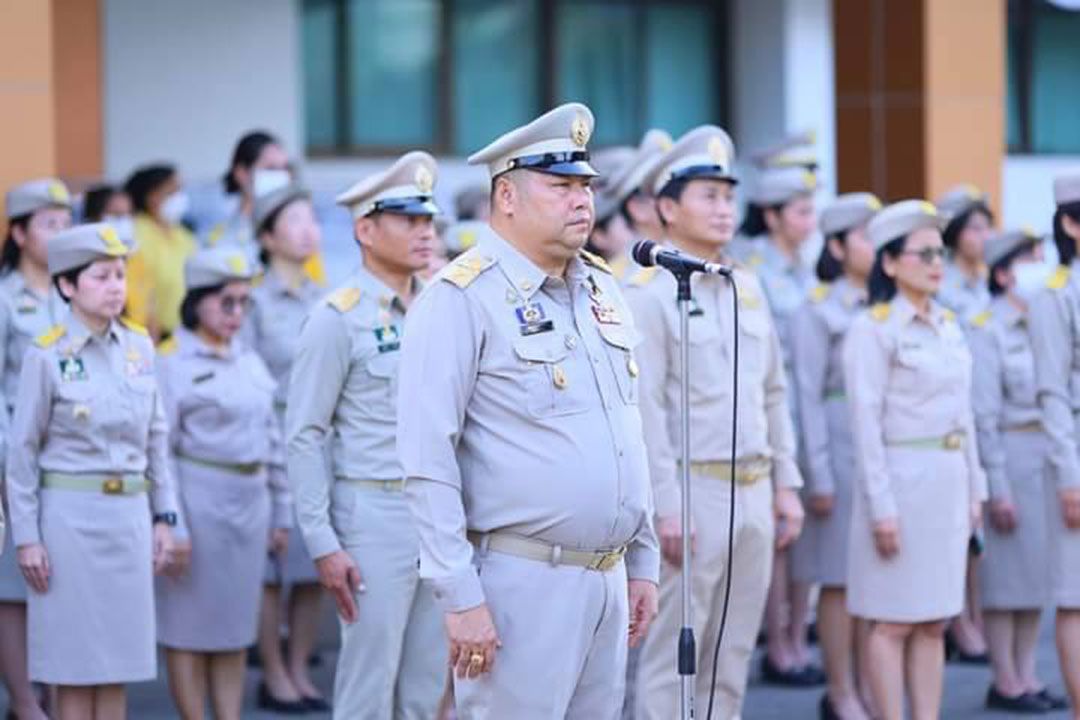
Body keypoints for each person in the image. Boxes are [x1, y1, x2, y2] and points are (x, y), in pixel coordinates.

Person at [396, 103, 659, 718]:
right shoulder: (460, 299)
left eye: (586, 186)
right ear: (507, 196)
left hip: (606, 578)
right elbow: (426, 458)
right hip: (519, 580)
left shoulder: (600, 286)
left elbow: (626, 431)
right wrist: (460, 597)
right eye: (561, 186)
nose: (582, 201)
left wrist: (641, 557)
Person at [626, 125, 804, 719]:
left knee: (732, 654)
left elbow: (773, 392)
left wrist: (788, 485)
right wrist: (665, 505)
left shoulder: (744, 286)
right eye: (709, 196)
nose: (724, 208)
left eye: (729, 197)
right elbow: (645, 408)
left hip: (752, 490)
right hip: (692, 489)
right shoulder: (649, 294)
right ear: (667, 208)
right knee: (673, 657)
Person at [287, 151, 447, 719]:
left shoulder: (440, 306)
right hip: (373, 515)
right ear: (365, 229)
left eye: (429, 220)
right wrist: (323, 541)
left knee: (427, 688)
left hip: (437, 514)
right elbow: (304, 434)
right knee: (368, 687)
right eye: (409, 220)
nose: (425, 232)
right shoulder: (337, 317)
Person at [6, 222, 178, 720]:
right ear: (67, 285)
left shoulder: (139, 348)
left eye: (120, 275)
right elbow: (22, 456)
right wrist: (27, 538)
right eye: (100, 276)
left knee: (117, 664)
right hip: (69, 523)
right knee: (74, 666)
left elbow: (157, 439)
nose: (115, 287)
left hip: (127, 517)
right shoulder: (48, 354)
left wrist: (164, 517)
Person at [843, 200, 987, 720]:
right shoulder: (874, 328)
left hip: (946, 487)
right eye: (922, 253)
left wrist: (977, 490)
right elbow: (865, 425)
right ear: (888, 262)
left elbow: (963, 416)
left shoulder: (948, 324)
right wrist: (881, 506)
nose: (935, 263)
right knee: (893, 621)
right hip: (901, 488)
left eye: (939, 252)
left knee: (934, 621)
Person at [154, 247, 290, 720]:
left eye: (243, 303)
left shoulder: (248, 358)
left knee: (235, 626)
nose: (236, 314)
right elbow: (160, 451)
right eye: (225, 302)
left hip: (249, 507)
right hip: (199, 500)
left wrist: (281, 512)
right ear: (196, 302)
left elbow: (272, 440)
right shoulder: (171, 361)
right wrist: (173, 524)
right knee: (188, 628)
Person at [791, 193, 881, 719]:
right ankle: (841, 690)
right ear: (838, 246)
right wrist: (818, 474)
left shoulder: (882, 303)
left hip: (876, 455)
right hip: (837, 454)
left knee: (874, 580)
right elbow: (806, 395)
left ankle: (871, 685)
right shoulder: (817, 308)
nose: (875, 246)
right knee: (838, 578)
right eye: (866, 236)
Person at [970, 228, 1066, 714]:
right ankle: (1004, 677)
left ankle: (1027, 673)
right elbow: (984, 416)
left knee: (1037, 580)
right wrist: (998, 487)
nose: (1040, 266)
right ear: (1004, 273)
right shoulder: (987, 327)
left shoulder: (1048, 316)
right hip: (1010, 456)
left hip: (1048, 457)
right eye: (1029, 259)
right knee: (1006, 582)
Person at [243, 182, 328, 712]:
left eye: (310, 218)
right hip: (271, 444)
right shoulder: (250, 300)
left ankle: (300, 668)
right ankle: (272, 671)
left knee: (315, 564)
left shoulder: (327, 298)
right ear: (268, 236)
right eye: (293, 220)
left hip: (320, 442)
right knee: (272, 570)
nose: (307, 229)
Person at [738, 166, 823, 686]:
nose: (809, 221)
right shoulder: (755, 270)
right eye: (800, 211)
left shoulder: (805, 268)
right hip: (774, 410)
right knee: (775, 537)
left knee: (801, 532)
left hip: (804, 411)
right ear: (771, 216)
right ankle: (778, 640)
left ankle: (796, 635)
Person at [0, 178, 73, 720]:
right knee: (13, 585)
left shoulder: (75, 294)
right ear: (20, 233)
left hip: (71, 461)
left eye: (66, 221)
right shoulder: (5, 299)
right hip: (14, 458)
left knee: (60, 577)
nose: (61, 232)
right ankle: (24, 701)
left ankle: (52, 688)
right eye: (49, 223)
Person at [1028, 169, 1080, 719]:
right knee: (1075, 595)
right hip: (1076, 451)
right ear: (1071, 224)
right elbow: (1051, 391)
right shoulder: (1055, 296)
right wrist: (1069, 476)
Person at [123, 164, 198, 342]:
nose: (180, 198)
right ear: (152, 196)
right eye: (172, 191)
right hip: (151, 335)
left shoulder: (184, 235)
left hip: (187, 334)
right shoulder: (135, 233)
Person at [935, 184, 994, 325]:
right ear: (954, 233)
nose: (986, 236)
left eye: (988, 227)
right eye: (976, 228)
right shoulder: (939, 283)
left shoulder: (986, 279)